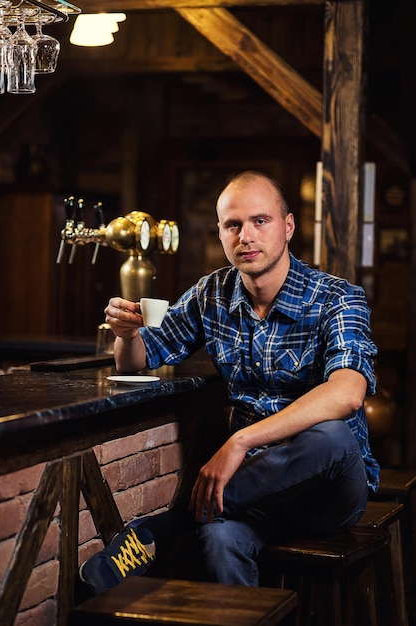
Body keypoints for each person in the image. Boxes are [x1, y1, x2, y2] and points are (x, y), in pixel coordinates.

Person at [81, 170, 379, 593]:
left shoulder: (337, 297)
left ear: (288, 227)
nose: (246, 236)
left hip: (327, 493)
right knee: (218, 540)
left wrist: (239, 442)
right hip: (251, 500)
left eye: (261, 221)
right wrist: (126, 335)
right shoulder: (211, 294)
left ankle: (167, 527)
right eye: (233, 225)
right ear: (220, 233)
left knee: (330, 436)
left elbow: (348, 393)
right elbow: (139, 362)